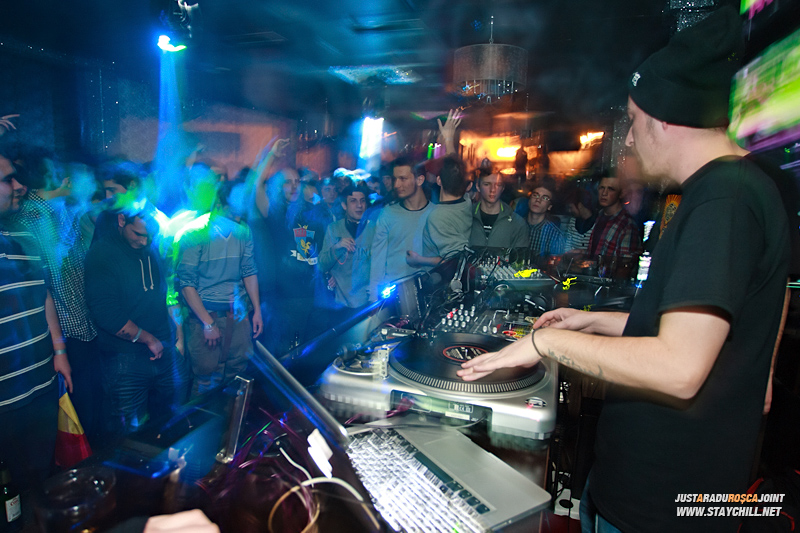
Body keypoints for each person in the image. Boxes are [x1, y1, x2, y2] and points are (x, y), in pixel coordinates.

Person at [458, 7, 791, 532]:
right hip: (664, 489)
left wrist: (548, 344)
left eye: (633, 122)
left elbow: (679, 368)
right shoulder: (741, 187)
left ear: (666, 119)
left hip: (662, 504)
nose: (629, 140)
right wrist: (591, 320)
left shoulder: (722, 201)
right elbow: (715, 326)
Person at [85, 203, 190, 437]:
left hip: (165, 350)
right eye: (138, 234)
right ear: (122, 221)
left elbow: (163, 292)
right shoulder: (102, 254)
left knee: (176, 420)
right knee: (129, 433)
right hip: (125, 360)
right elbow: (106, 314)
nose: (144, 241)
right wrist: (148, 339)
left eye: (148, 236)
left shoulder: (150, 248)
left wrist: (176, 334)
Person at [0, 154, 71, 490]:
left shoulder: (26, 236)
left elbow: (44, 295)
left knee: (40, 483)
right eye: (8, 180)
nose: (20, 186)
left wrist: (60, 351)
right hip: (4, 403)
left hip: (42, 387)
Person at [177, 172, 262, 396]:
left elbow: (249, 271)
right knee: (206, 380)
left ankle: (231, 418)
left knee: (237, 376)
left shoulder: (243, 232)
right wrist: (207, 323)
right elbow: (187, 284)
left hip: (237, 316)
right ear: (222, 203)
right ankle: (204, 419)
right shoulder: (195, 234)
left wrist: (257, 310)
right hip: (206, 315)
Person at [369, 155, 433, 300]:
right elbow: (377, 262)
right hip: (394, 297)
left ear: (419, 180)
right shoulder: (388, 214)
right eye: (395, 179)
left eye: (403, 179)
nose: (397, 185)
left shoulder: (435, 213)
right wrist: (374, 300)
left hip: (428, 294)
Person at [407, 155, 472, 268]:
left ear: (438, 180)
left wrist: (418, 260)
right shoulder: (466, 202)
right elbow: (455, 173)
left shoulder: (438, 216)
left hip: (438, 276)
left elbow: (456, 260)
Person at [317, 184, 369, 323]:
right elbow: (321, 265)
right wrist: (337, 247)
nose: (359, 205)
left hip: (368, 303)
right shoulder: (334, 229)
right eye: (353, 201)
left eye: (362, 201)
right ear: (344, 205)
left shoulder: (374, 229)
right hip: (341, 305)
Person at [468, 172, 529, 249]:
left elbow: (520, 255)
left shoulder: (517, 223)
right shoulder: (467, 215)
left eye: (498, 185)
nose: (493, 189)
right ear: (478, 187)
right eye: (487, 184)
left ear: (503, 188)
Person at [586, 175, 642, 257]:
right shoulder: (600, 216)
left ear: (621, 193)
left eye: (611, 189)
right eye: (602, 188)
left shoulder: (627, 225)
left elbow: (626, 262)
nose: (604, 193)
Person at [526, 179, 565, 259]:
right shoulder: (515, 226)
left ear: (549, 206)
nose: (538, 200)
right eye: (535, 195)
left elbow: (556, 263)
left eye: (545, 198)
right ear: (529, 200)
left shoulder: (555, 235)